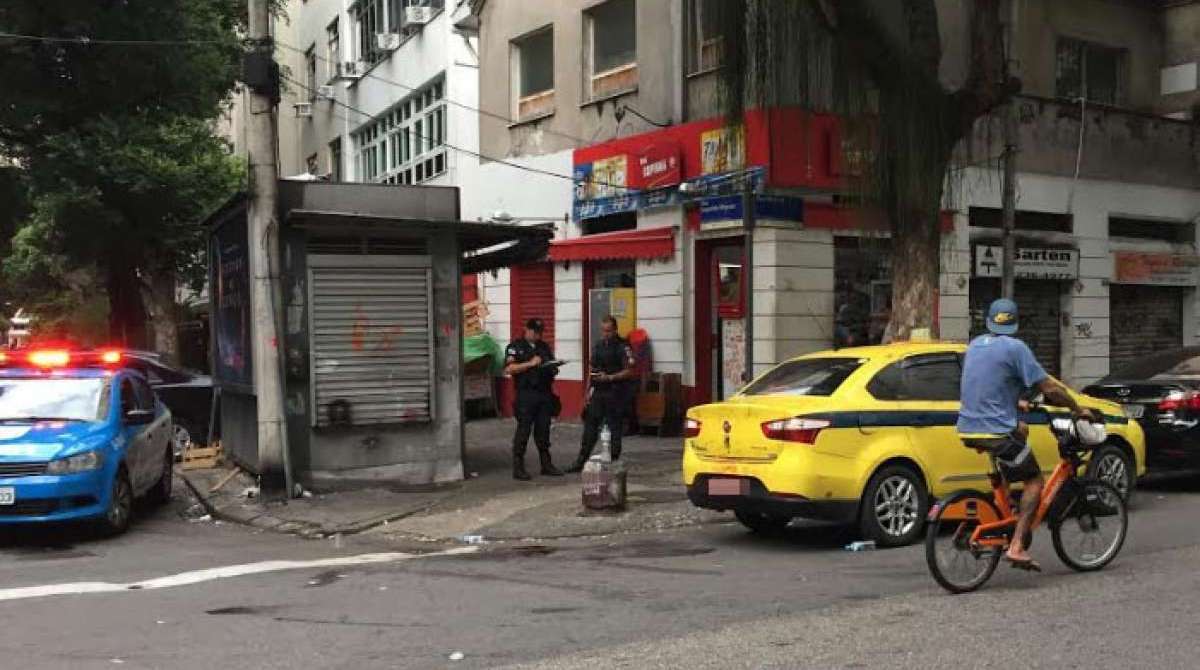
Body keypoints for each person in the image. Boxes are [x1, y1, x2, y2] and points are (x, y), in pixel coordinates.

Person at [957, 298, 1094, 571]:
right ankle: (1017, 545)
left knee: (1020, 430)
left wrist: (1017, 402)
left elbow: (992, 383)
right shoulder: (1016, 348)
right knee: (1034, 481)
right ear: (1016, 322)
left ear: (989, 321)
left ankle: (1005, 507)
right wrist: (1077, 408)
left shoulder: (974, 345)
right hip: (994, 430)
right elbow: (1050, 388)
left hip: (967, 426)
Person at [567, 315, 637, 472]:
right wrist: (586, 394)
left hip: (615, 393)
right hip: (598, 392)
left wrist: (611, 377)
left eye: (609, 331)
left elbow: (630, 371)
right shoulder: (598, 346)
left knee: (615, 429)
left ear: (615, 330)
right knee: (590, 427)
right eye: (604, 331)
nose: (606, 334)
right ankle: (581, 460)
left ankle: (614, 461)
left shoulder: (623, 346)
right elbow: (591, 370)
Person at [504, 318, 563, 481]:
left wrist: (554, 366)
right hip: (526, 394)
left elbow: (551, 364)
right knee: (523, 431)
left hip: (544, 393)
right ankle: (518, 467)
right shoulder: (515, 347)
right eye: (535, 332)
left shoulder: (543, 347)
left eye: (540, 332)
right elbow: (510, 369)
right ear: (527, 330)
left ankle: (546, 465)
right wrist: (530, 364)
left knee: (543, 430)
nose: (537, 335)